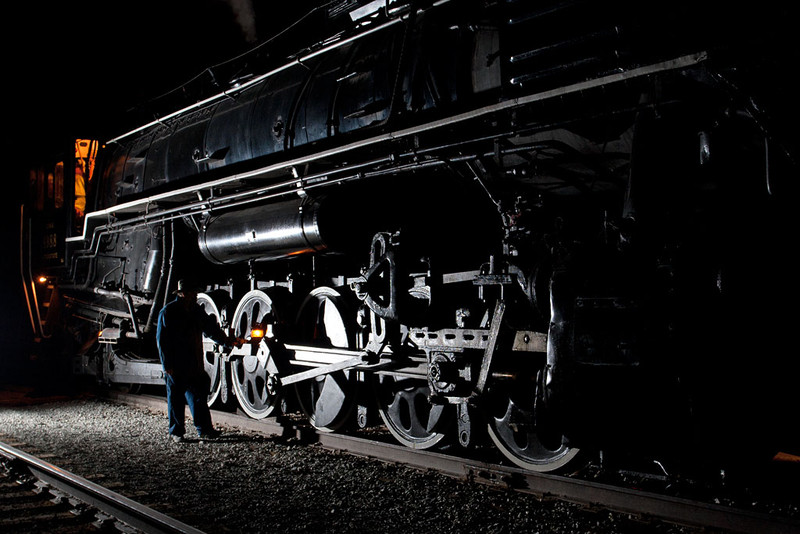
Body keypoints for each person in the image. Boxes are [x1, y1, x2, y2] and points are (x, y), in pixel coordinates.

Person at [156, 279, 238, 443]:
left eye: (195, 293)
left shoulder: (195, 311)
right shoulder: (168, 312)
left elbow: (211, 329)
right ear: (182, 293)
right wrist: (167, 365)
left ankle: (205, 430)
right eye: (191, 293)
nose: (194, 296)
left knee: (199, 398)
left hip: (194, 363)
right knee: (176, 399)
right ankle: (176, 432)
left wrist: (227, 342)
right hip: (177, 364)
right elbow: (162, 340)